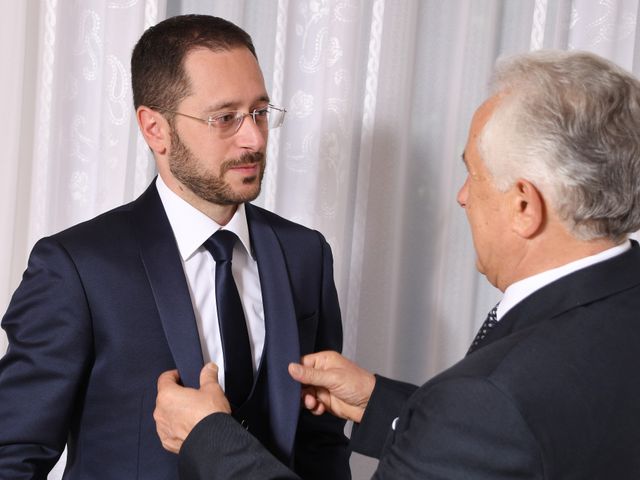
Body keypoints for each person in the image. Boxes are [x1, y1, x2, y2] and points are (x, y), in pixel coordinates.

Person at [154, 49, 640, 479]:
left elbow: (496, 422)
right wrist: (378, 403)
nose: (463, 196)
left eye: (474, 174)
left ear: (524, 207)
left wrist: (208, 439)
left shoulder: (485, 399)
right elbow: (517, 442)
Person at [0, 14, 350, 480]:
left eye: (260, 113)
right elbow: (11, 454)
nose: (253, 138)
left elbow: (320, 445)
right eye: (225, 118)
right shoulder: (77, 268)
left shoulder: (305, 254)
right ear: (155, 129)